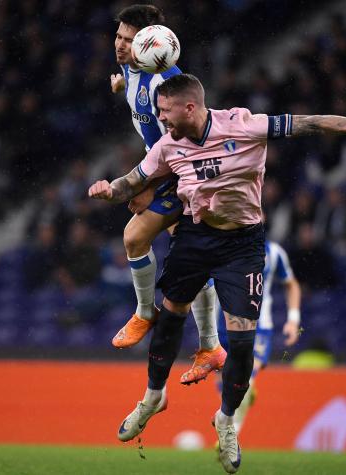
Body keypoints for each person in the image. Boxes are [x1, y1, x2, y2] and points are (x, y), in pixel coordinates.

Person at [88, 73, 346, 473]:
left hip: (242, 245)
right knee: (170, 316)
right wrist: (108, 190)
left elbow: (313, 122)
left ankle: (225, 421)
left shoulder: (245, 125)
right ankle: (152, 398)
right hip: (196, 238)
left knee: (241, 345)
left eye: (166, 111)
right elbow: (132, 182)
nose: (161, 119)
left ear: (190, 107)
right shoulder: (168, 146)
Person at [109, 5, 225, 385]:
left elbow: (185, 150)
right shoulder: (132, 69)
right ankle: (209, 345)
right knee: (189, 261)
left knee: (135, 237)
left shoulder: (167, 86)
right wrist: (121, 86)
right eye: (120, 37)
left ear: (148, 44)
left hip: (185, 177)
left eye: (130, 40)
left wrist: (151, 190)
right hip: (163, 171)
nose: (121, 46)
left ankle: (149, 314)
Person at [216, 239, 302, 435]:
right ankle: (239, 398)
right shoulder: (221, 245)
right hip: (224, 325)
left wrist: (293, 320)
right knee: (226, 382)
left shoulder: (274, 252)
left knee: (246, 377)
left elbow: (291, 284)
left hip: (259, 326)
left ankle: (231, 434)